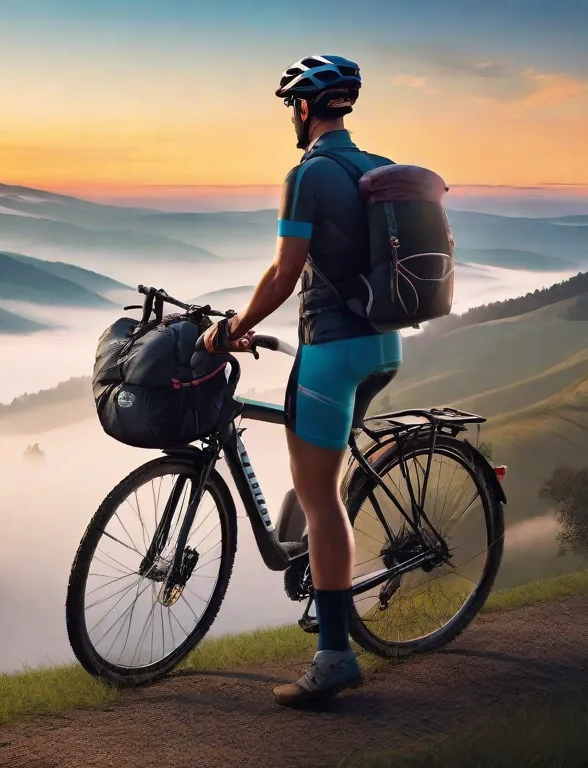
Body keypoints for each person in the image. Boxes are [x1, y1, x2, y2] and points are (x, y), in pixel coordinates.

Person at [201, 54, 403, 705]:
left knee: (318, 501)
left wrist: (231, 325)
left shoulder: (308, 174)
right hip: (384, 345)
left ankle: (335, 655)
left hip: (334, 350)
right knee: (325, 481)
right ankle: (330, 584)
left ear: (304, 107)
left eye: (294, 105)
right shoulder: (377, 168)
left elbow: (286, 274)